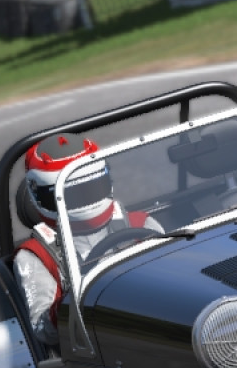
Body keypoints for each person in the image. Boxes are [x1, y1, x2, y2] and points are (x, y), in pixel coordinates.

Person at [10, 134, 151, 343]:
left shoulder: (141, 224)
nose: (83, 201)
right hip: (98, 345)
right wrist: (77, 298)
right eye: (71, 195)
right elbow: (43, 329)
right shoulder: (35, 256)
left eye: (90, 189)